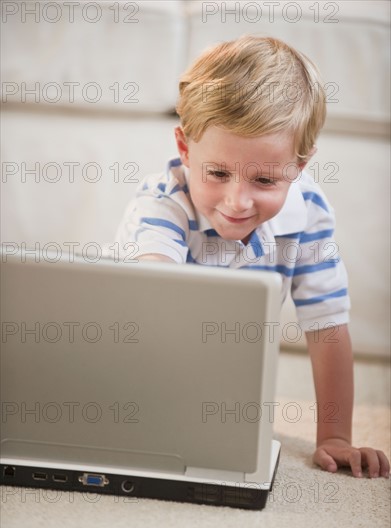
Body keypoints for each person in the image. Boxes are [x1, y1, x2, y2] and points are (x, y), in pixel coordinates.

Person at [114, 35, 389, 478]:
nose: (237, 202)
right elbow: (154, 298)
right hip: (137, 355)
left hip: (221, 377)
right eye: (218, 173)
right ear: (185, 149)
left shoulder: (309, 213)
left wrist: (335, 435)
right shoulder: (162, 207)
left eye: (264, 180)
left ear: (299, 167)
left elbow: (328, 326)